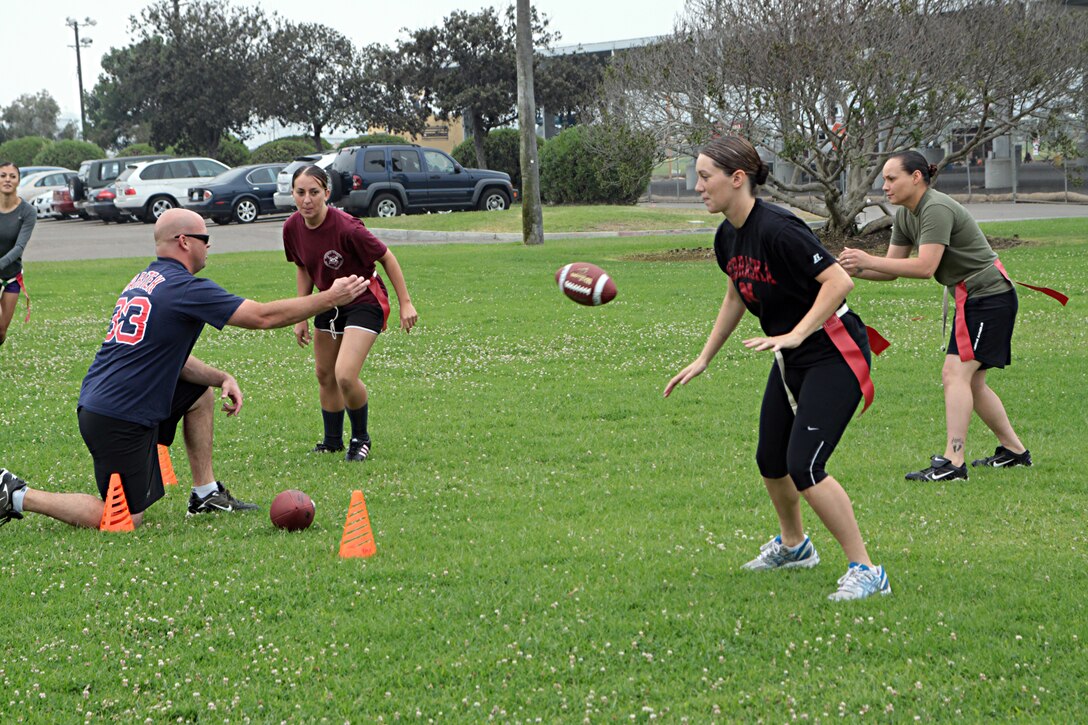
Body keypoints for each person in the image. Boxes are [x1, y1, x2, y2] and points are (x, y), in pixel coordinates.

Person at [0, 208, 367, 529]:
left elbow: (163, 355)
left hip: (116, 402)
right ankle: (16, 494)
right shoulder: (182, 287)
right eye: (205, 238)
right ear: (184, 241)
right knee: (124, 518)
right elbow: (262, 317)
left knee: (198, 394)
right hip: (117, 416)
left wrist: (221, 377)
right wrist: (330, 297)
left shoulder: (147, 279)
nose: (210, 245)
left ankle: (205, 494)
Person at [664, 136, 889, 602]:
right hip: (792, 356)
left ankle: (867, 570)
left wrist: (797, 333)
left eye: (705, 177)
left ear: (738, 179)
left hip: (835, 351)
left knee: (804, 464)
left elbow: (838, 281)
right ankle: (795, 546)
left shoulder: (780, 229)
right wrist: (705, 357)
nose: (697, 186)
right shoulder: (727, 234)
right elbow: (736, 294)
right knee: (771, 458)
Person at [839, 151, 1031, 481]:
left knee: (954, 375)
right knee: (973, 382)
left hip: (989, 297)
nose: (884, 186)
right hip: (973, 299)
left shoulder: (935, 208)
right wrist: (841, 272)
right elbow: (890, 271)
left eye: (891, 178)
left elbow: (925, 267)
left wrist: (866, 259)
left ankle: (954, 462)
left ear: (916, 177)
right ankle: (1014, 451)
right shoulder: (905, 216)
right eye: (883, 179)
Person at [283, 165, 417, 462]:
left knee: (345, 375)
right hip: (328, 302)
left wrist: (406, 302)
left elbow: (386, 257)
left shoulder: (347, 226)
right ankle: (332, 441)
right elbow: (303, 267)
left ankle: (361, 438)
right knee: (324, 374)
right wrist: (301, 314)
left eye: (314, 192)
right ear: (292, 194)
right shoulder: (292, 227)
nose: (307, 200)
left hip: (363, 300)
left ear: (327, 194)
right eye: (300, 192)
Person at [0, 161, 35, 346]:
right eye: (3, 175)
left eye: (12, 176)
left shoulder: (27, 212)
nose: (7, 179)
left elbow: (19, 247)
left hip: (11, 277)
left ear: (18, 181)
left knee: (1, 331)